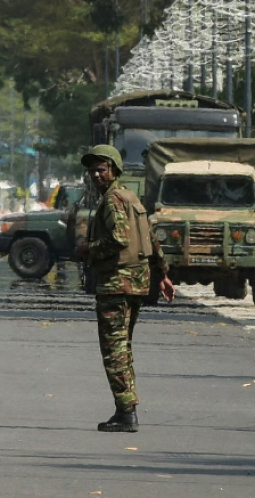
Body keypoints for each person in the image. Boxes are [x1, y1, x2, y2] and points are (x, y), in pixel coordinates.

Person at [73, 144, 176, 432]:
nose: (96, 175)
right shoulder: (132, 198)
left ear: (114, 170)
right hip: (137, 283)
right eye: (92, 170)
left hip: (116, 285)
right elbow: (151, 238)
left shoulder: (112, 201)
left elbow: (119, 238)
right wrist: (163, 274)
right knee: (123, 347)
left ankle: (126, 411)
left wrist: (87, 249)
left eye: (101, 169)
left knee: (114, 350)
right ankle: (125, 408)